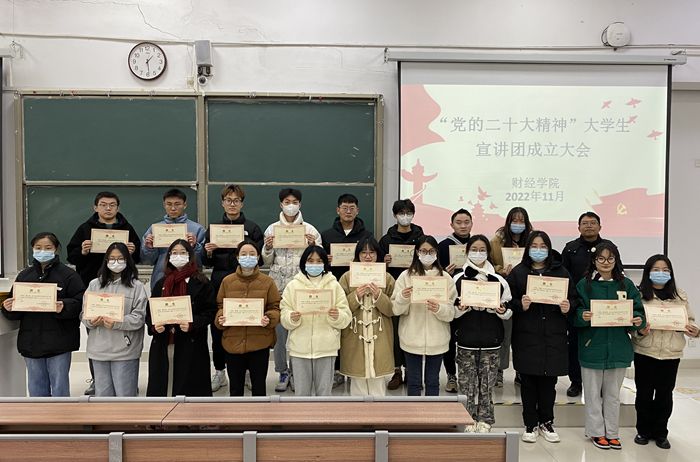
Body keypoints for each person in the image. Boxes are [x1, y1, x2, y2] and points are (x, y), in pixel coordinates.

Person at [66, 191, 141, 395]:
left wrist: (133, 251)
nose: (108, 208)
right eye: (103, 204)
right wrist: (82, 251)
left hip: (123, 286)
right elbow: (71, 256)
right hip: (95, 287)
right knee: (97, 336)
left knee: (122, 331)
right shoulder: (84, 229)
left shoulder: (127, 228)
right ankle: (96, 379)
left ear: (118, 207)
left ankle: (127, 380)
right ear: (95, 207)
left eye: (112, 205)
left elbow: (138, 257)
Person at [574, 242, 645, 450]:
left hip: (618, 348)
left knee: (613, 395)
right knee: (592, 394)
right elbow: (575, 312)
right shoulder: (584, 285)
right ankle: (596, 432)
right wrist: (582, 315)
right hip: (592, 347)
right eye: (601, 258)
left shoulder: (626, 285)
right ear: (594, 261)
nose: (606, 263)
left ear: (616, 260)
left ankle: (612, 432)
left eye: (610, 258)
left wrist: (638, 320)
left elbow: (638, 311)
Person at [506, 231, 576, 443]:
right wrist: (520, 304)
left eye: (543, 246)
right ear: (528, 249)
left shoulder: (561, 272)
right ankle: (530, 424)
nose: (539, 250)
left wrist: (568, 307)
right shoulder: (518, 272)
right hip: (527, 335)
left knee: (548, 383)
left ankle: (547, 421)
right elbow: (507, 301)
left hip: (553, 335)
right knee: (527, 382)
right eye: (534, 246)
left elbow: (574, 299)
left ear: (549, 248)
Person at [1, 232, 85, 397]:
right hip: (31, 341)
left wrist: (64, 306)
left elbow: (81, 302)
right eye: (38, 248)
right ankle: (39, 415)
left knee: (60, 388)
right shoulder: (24, 275)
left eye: (47, 248)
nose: (42, 251)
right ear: (32, 249)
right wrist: (8, 307)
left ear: (56, 249)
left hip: (60, 342)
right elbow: (14, 307)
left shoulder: (69, 275)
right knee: (36, 388)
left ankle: (61, 415)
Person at [632, 255, 699, 449]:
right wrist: (640, 330)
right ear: (648, 272)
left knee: (665, 395)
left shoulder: (679, 295)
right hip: (645, 351)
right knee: (644, 394)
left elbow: (690, 319)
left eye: (665, 270)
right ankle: (643, 431)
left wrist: (694, 330)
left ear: (670, 273)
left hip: (671, 353)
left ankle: (661, 433)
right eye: (656, 269)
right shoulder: (638, 294)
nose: (660, 273)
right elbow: (632, 322)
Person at [203, 184, 264, 393]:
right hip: (220, 282)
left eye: (236, 200)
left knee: (246, 325)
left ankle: (246, 372)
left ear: (242, 203)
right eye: (228, 200)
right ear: (222, 203)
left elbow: (260, 259)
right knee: (219, 327)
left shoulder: (252, 228)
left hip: (248, 283)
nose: (232, 204)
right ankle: (220, 371)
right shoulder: (213, 229)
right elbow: (206, 262)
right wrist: (208, 251)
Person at [262, 188, 322, 392]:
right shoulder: (271, 229)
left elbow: (319, 259)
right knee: (280, 335)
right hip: (278, 289)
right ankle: (282, 371)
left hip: (303, 289)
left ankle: (297, 372)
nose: (291, 205)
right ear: (281, 204)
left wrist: (313, 245)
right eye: (287, 202)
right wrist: (267, 248)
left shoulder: (310, 230)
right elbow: (267, 261)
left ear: (300, 204)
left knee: (299, 334)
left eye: (294, 202)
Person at [453, 235, 512, 433]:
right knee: (466, 385)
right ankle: (466, 418)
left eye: (482, 250)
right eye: (474, 249)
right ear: (467, 251)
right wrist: (461, 309)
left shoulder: (499, 280)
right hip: (466, 340)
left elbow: (509, 310)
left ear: (488, 252)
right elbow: (451, 311)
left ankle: (485, 419)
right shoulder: (457, 279)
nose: (478, 253)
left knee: (487, 385)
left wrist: (501, 311)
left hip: (491, 341)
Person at [146, 239, 216, 397]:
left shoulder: (202, 282)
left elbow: (210, 311)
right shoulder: (161, 283)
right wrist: (154, 326)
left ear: (190, 256)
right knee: (163, 386)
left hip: (191, 342)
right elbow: (150, 312)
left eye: (183, 253)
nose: (178, 256)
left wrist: (193, 323)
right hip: (164, 341)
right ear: (169, 257)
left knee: (190, 388)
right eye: (174, 253)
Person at [280, 246, 351, 396]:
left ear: (325, 263)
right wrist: (291, 318)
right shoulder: (293, 286)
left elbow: (346, 317)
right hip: (299, 348)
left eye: (319, 261)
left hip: (326, 348)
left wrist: (337, 316)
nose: (314, 264)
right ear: (304, 263)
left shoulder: (334, 285)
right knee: (301, 395)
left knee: (324, 395)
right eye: (310, 260)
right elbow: (284, 315)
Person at [391, 236, 457, 396]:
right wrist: (403, 297)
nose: (427, 254)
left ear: (437, 253)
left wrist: (439, 308)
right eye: (423, 251)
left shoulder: (446, 278)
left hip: (437, 339)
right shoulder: (405, 276)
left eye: (431, 251)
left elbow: (451, 313)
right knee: (413, 383)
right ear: (417, 252)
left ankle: (431, 413)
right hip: (411, 338)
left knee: (433, 382)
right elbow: (396, 310)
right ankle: (414, 413)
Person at [214, 239, 280, 396]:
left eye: (252, 254)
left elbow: (275, 307)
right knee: (235, 390)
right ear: (237, 257)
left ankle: (259, 414)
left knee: (259, 389)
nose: (248, 257)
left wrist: (268, 318)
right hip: (233, 342)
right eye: (243, 254)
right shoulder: (227, 281)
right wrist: (221, 318)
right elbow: (220, 306)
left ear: (258, 257)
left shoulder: (268, 282)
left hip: (259, 342)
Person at [82, 242, 147, 397]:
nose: (115, 262)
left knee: (125, 398)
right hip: (99, 350)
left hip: (125, 351)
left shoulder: (136, 286)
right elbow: (84, 314)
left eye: (120, 258)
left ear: (127, 260)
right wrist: (91, 321)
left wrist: (118, 322)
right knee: (102, 399)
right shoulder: (94, 284)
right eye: (112, 258)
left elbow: (139, 318)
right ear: (106, 260)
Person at [321, 193, 373, 388]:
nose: (348, 211)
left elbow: (372, 257)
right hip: (334, 285)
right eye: (344, 207)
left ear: (357, 210)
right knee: (336, 327)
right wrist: (326, 260)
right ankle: (336, 370)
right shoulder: (327, 235)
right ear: (338, 210)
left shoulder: (367, 235)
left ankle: (353, 369)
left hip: (358, 287)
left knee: (355, 330)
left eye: (352, 208)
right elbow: (318, 261)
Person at [561, 211, 615, 398]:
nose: (589, 226)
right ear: (579, 227)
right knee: (575, 344)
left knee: (600, 343)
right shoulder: (570, 248)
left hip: (604, 305)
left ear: (600, 226)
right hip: (577, 304)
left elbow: (618, 272)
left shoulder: (609, 247)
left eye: (593, 223)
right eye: (585, 223)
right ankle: (576, 382)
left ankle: (600, 384)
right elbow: (563, 276)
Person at [338, 237, 395, 396]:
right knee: (358, 383)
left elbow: (393, 310)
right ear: (358, 255)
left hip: (380, 336)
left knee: (378, 384)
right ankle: (358, 413)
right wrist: (355, 296)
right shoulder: (347, 277)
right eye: (363, 253)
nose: (368, 256)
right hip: (355, 336)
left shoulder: (387, 278)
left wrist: (379, 296)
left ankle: (379, 413)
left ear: (378, 255)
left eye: (372, 253)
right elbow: (340, 308)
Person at [378, 198, 425, 390]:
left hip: (419, 289)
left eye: (408, 213)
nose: (405, 216)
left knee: (415, 332)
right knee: (396, 332)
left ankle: (413, 373)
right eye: (401, 213)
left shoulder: (421, 237)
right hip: (395, 290)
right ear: (395, 215)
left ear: (413, 214)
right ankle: (397, 371)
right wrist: (384, 262)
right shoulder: (386, 240)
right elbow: (377, 267)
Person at [490, 206, 533, 387]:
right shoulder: (497, 240)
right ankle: (499, 371)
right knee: (504, 334)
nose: (518, 224)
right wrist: (501, 270)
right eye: (514, 220)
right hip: (505, 291)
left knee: (524, 335)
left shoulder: (532, 240)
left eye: (521, 220)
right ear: (508, 221)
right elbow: (490, 264)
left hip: (526, 292)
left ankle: (521, 371)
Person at [437, 208, 473, 393]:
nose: (463, 226)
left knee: (469, 337)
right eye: (459, 222)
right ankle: (451, 375)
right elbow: (435, 273)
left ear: (472, 224)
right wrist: (445, 272)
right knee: (449, 338)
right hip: (450, 298)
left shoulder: (478, 244)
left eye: (466, 222)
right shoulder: (443, 246)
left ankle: (469, 375)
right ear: (451, 224)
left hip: (472, 298)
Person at [141, 188, 206, 290]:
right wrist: (149, 248)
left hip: (190, 281)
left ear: (185, 205)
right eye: (169, 204)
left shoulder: (197, 229)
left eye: (177, 204)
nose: (173, 208)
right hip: (161, 280)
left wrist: (194, 246)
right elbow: (147, 261)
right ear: (164, 205)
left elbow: (202, 261)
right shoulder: (155, 229)